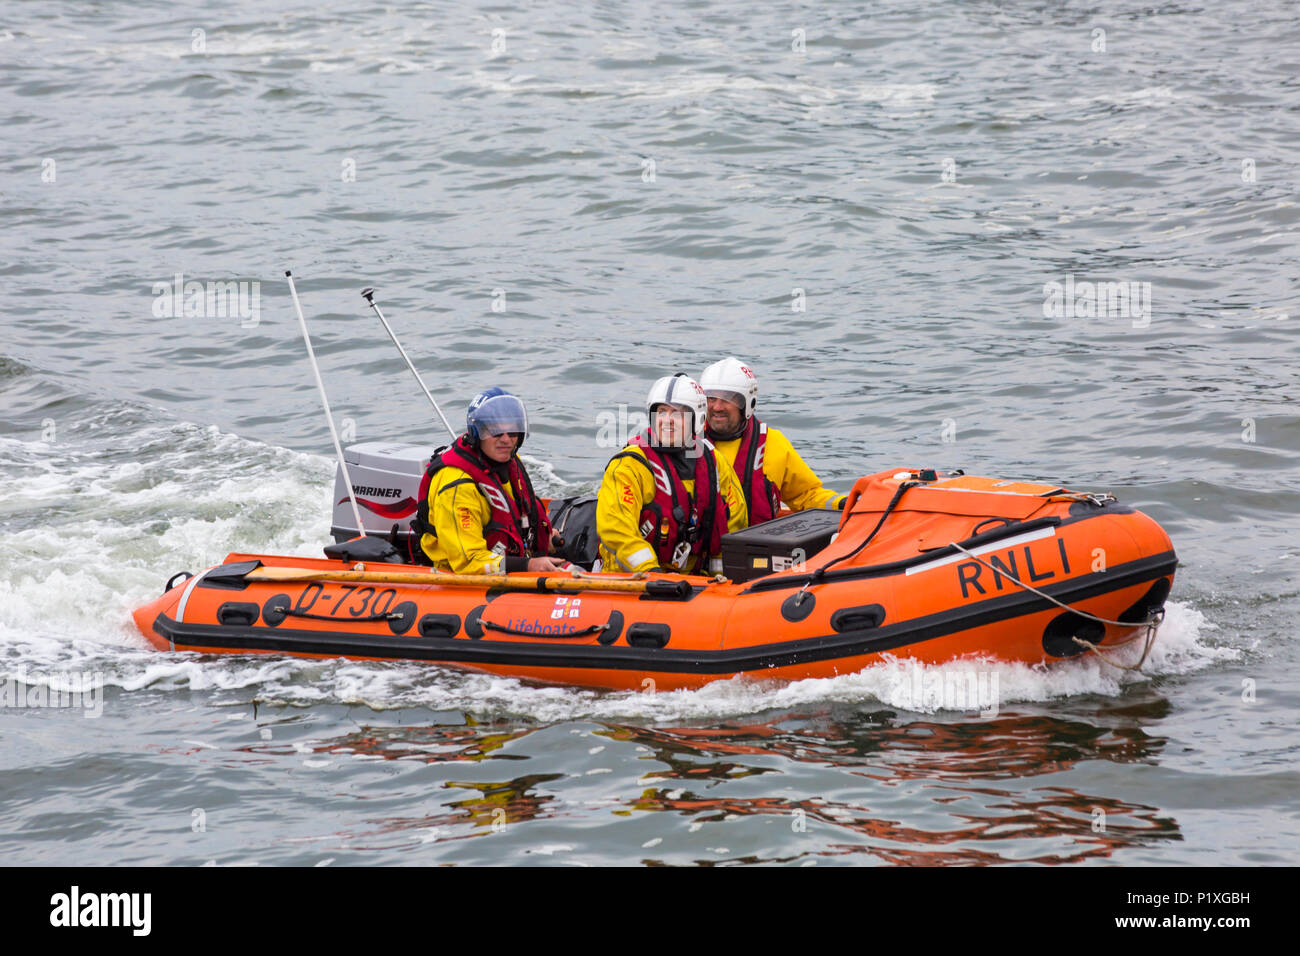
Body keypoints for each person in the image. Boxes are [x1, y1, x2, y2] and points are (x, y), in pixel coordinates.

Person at [596, 374, 748, 574]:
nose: (667, 420)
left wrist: (723, 577)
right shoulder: (629, 466)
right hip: (632, 581)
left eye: (678, 413)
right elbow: (616, 529)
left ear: (697, 419)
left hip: (694, 583)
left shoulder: (714, 462)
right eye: (661, 412)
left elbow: (735, 521)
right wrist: (652, 573)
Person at [415, 387, 566, 574]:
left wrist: (545, 537)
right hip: (467, 580)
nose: (506, 440)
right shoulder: (457, 486)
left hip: (510, 565)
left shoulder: (508, 461)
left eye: (512, 432)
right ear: (477, 432)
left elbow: (521, 511)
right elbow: (468, 561)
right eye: (495, 431)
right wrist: (527, 565)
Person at [699, 358, 847, 524]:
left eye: (727, 399)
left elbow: (805, 495)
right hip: (698, 548)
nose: (717, 407)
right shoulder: (687, 443)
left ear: (747, 403)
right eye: (711, 398)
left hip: (754, 545)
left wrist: (844, 503)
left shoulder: (773, 443)